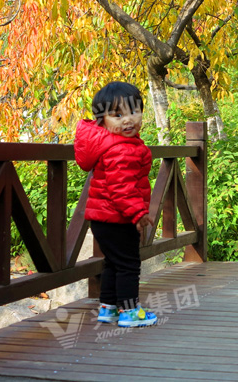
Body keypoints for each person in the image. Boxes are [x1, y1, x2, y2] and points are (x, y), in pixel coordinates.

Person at [74, 81, 158, 327]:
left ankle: (108, 307)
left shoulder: (113, 144)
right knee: (129, 265)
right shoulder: (122, 149)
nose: (128, 120)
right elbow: (121, 188)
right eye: (117, 115)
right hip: (118, 218)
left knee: (113, 262)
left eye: (134, 111)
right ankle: (129, 312)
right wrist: (139, 213)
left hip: (103, 219)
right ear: (102, 121)